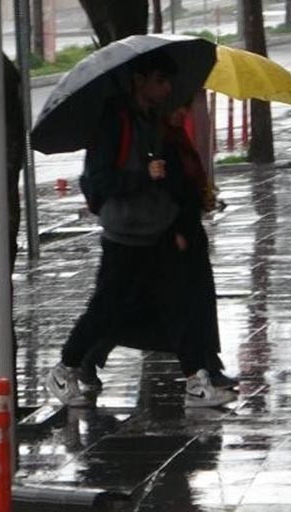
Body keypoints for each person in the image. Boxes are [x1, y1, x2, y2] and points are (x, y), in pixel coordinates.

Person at [46, 51, 237, 409]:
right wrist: (143, 176)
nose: (167, 90)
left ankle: (196, 381)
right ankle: (65, 367)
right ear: (139, 80)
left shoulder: (150, 119)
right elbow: (101, 180)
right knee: (106, 308)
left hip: (157, 229)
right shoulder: (114, 122)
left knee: (180, 303)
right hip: (125, 234)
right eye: (160, 81)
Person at [76, 103, 235, 397]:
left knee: (188, 304)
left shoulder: (175, 137)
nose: (183, 111)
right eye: (178, 105)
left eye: (186, 105)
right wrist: (178, 229)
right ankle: (89, 354)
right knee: (159, 305)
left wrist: (203, 198)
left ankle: (205, 365)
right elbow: (164, 189)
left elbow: (186, 181)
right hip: (168, 234)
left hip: (185, 230)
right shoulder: (157, 140)